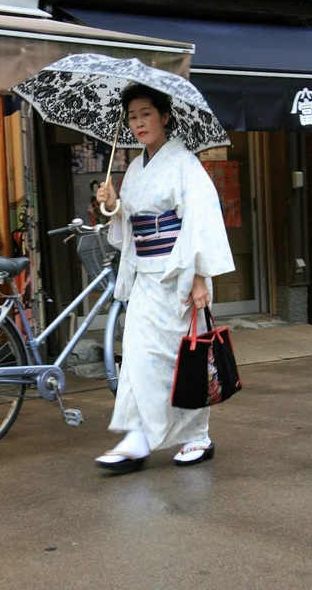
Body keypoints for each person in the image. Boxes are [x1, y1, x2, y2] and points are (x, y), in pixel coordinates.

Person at [95, 84, 235, 473]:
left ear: (165, 116)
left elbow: (202, 219)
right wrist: (113, 206)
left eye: (146, 114)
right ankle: (137, 435)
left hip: (178, 273)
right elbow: (131, 226)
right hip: (144, 274)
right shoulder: (135, 169)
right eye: (133, 116)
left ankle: (197, 436)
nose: (139, 123)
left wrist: (199, 277)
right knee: (139, 355)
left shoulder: (184, 163)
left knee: (181, 356)